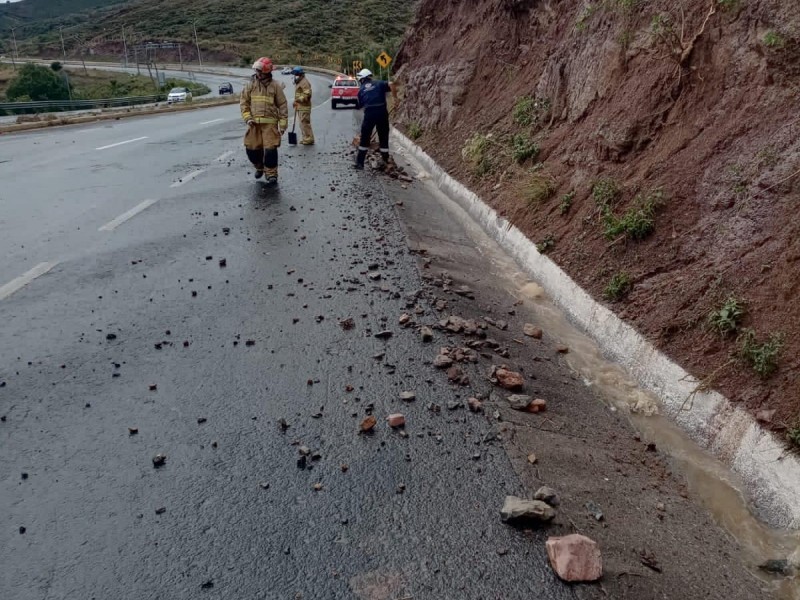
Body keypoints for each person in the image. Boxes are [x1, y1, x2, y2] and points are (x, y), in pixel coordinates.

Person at [240, 57, 288, 184]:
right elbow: (244, 103)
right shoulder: (250, 85)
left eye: (260, 71)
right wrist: (247, 118)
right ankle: (259, 167)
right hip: (254, 124)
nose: (258, 73)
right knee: (251, 149)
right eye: (257, 71)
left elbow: (282, 105)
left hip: (270, 125)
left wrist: (282, 125)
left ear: (266, 72)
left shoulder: (275, 86)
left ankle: (271, 173)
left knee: (271, 150)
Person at [354, 68, 397, 170]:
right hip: (382, 112)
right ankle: (385, 159)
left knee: (365, 138)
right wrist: (396, 99)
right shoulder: (379, 83)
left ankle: (360, 163)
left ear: (362, 79)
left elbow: (359, 106)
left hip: (369, 114)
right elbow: (392, 84)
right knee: (383, 136)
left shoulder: (360, 90)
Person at [292, 67, 314, 145]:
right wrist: (296, 102)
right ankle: (305, 137)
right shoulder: (299, 82)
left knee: (305, 122)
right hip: (300, 106)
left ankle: (309, 138)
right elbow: (298, 94)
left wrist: (298, 100)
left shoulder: (304, 82)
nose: (295, 76)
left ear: (300, 75)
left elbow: (307, 95)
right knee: (301, 123)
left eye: (296, 75)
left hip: (304, 107)